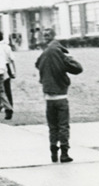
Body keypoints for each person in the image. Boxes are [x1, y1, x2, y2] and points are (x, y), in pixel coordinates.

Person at [35, 31, 83, 163]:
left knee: (52, 126)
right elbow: (78, 68)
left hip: (48, 97)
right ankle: (64, 153)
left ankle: (53, 152)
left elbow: (37, 64)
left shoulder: (44, 53)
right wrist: (69, 58)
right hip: (61, 96)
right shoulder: (59, 53)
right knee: (63, 125)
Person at [0, 30, 16, 120]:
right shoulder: (6, 47)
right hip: (6, 68)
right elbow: (12, 60)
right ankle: (9, 108)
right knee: (7, 90)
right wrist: (14, 71)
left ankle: (0, 104)